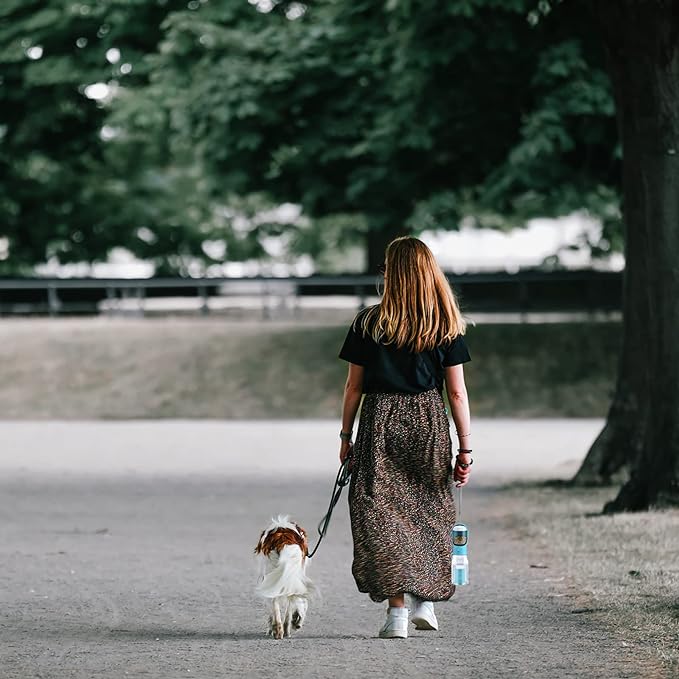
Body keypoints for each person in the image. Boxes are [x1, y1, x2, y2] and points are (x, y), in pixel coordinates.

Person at [338, 236, 472, 639]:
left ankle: (397, 614)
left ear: (391, 274)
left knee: (378, 511)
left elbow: (353, 388)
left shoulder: (368, 322)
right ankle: (425, 603)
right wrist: (465, 448)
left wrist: (346, 435)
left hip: (380, 420)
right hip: (428, 420)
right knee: (430, 509)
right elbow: (457, 393)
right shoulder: (445, 323)